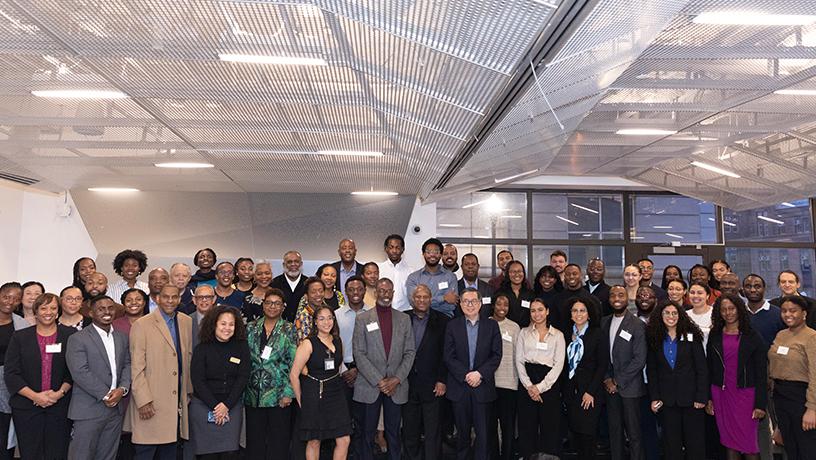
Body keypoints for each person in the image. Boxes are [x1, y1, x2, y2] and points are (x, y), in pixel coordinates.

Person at [4, 293, 75, 459]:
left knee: (57, 453)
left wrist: (59, 394)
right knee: (30, 453)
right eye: (43, 308)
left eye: (53, 308)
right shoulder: (20, 337)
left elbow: (73, 371)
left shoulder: (70, 335)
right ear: (35, 312)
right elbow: (11, 373)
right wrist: (35, 396)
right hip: (26, 407)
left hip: (60, 406)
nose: (48, 312)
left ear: (58, 312)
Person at [352, 278, 415, 460]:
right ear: (375, 293)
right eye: (381, 290)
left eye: (388, 291)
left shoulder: (404, 319)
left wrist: (396, 379)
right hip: (370, 384)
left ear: (393, 294)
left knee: (394, 433)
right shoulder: (362, 319)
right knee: (367, 432)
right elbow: (359, 353)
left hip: (396, 385)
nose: (385, 294)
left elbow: (410, 352)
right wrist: (380, 381)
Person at [129, 285, 193, 459]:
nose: (170, 301)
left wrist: (187, 393)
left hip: (176, 401)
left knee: (170, 452)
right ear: (157, 299)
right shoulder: (141, 324)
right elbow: (136, 367)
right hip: (151, 402)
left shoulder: (186, 321)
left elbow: (187, 358)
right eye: (166, 297)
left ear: (179, 299)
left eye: (174, 297)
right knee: (145, 452)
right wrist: (143, 401)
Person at [66, 295, 131, 460]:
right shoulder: (77, 339)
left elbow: (128, 365)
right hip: (88, 410)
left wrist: (122, 389)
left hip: (115, 410)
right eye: (101, 309)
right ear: (91, 313)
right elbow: (80, 371)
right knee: (81, 456)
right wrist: (107, 394)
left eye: (110, 308)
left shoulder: (122, 337)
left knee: (108, 456)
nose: (107, 312)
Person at [706, 294, 768, 460]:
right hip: (721, 394)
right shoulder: (715, 334)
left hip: (745, 396)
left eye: (731, 308)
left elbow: (762, 372)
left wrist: (760, 404)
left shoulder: (752, 336)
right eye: (723, 309)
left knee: (749, 444)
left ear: (739, 309)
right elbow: (710, 368)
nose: (728, 313)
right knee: (729, 441)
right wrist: (709, 398)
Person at [645, 301, 708, 460]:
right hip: (667, 402)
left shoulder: (691, 335)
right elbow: (652, 371)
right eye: (667, 313)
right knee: (671, 445)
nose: (671, 316)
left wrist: (701, 397)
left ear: (680, 316)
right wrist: (655, 397)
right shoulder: (655, 337)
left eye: (674, 313)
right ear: (660, 315)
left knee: (695, 445)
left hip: (692, 401)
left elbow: (701, 369)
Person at [444, 289, 502, 460]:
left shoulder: (492, 326)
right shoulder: (452, 325)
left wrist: (479, 374)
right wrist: (467, 375)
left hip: (482, 388)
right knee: (462, 436)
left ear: (480, 303)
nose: (470, 305)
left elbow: (496, 355)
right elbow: (448, 356)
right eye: (466, 301)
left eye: (473, 301)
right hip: (459, 388)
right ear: (460, 304)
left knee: (483, 436)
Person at [290, 306, 352, 460]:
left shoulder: (338, 340)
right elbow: (294, 375)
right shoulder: (308, 343)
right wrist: (301, 400)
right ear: (315, 322)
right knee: (314, 440)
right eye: (321, 318)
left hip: (336, 393)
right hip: (313, 393)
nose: (326, 322)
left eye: (330, 317)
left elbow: (338, 365)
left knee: (344, 439)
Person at [189, 305, 250, 459]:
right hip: (204, 407)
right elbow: (198, 380)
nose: (227, 328)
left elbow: (243, 377)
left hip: (232, 406)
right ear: (214, 324)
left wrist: (226, 405)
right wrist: (216, 407)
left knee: (230, 453)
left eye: (231, 324)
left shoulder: (241, 346)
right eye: (223, 323)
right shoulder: (201, 348)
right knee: (207, 456)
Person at [244, 289, 297, 459]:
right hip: (253, 395)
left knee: (278, 441)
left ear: (283, 307)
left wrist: (288, 393)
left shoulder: (289, 329)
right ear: (263, 304)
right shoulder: (250, 327)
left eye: (277, 303)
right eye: (268, 302)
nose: (272, 306)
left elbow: (294, 363)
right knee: (254, 441)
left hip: (279, 396)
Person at [403, 284, 448, 460]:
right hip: (407, 384)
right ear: (413, 299)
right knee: (409, 430)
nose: (421, 300)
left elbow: (446, 353)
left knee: (433, 431)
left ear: (431, 299)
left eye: (425, 297)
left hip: (433, 385)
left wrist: (442, 380)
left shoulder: (443, 320)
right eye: (418, 297)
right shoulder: (403, 319)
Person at [515, 298, 565, 458]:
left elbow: (558, 365)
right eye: (533, 310)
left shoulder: (558, 335)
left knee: (549, 425)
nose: (537, 314)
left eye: (540, 309)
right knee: (527, 425)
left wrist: (540, 387)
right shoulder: (523, 333)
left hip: (549, 383)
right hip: (527, 382)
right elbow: (519, 361)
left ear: (547, 311)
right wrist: (529, 386)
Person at [767, 295, 816, 459]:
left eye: (793, 311)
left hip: (801, 398)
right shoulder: (781, 334)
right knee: (790, 447)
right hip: (781, 397)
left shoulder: (811, 337)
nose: (788, 314)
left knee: (807, 448)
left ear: (804, 313)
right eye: (784, 311)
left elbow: (815, 375)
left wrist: (812, 409)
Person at [603, 284, 647, 460]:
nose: (616, 299)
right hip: (609, 387)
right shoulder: (604, 321)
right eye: (613, 295)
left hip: (630, 387)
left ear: (627, 298)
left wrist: (617, 382)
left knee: (634, 433)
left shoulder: (637, 324)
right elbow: (602, 354)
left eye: (620, 295)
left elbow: (639, 359)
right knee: (614, 433)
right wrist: (607, 379)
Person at [562, 297, 607, 460]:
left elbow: (602, 366)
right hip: (571, 393)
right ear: (570, 314)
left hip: (590, 393)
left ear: (589, 314)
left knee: (588, 434)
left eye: (582, 310)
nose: (578, 314)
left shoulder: (597, 333)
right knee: (576, 434)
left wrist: (590, 391)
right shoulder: (566, 334)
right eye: (575, 310)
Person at [335, 276, 370, 458]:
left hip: (366, 373)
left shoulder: (374, 314)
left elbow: (375, 346)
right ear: (345, 292)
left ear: (365, 290)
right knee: (344, 419)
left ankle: (361, 454)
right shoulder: (336, 314)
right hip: (343, 372)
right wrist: (344, 370)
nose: (355, 293)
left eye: (359, 289)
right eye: (351, 289)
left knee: (364, 419)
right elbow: (332, 345)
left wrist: (360, 369)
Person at [0, 282, 32, 460]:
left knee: (4, 431)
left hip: (8, 385)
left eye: (15, 299)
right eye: (6, 296)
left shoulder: (22, 325)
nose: (9, 301)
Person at [490, 294, 519, 460]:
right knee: (490, 426)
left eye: (506, 304)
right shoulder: (485, 323)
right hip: (488, 384)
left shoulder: (514, 327)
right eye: (499, 303)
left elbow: (518, 356)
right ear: (493, 305)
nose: (502, 307)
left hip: (509, 384)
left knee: (508, 427)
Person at [406, 238, 459, 318]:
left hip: (444, 319)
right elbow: (413, 302)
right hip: (421, 319)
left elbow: (451, 305)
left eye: (436, 252)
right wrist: (443, 298)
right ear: (423, 254)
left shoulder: (450, 277)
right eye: (429, 252)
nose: (432, 255)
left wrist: (423, 302)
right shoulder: (413, 277)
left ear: (441, 255)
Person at [551, 264, 600, 334]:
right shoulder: (557, 299)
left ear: (580, 275)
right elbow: (554, 324)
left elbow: (596, 323)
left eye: (574, 274)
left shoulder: (592, 299)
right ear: (564, 276)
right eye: (568, 274)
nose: (571, 277)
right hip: (563, 340)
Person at [494, 260, 535, 328]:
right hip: (506, 332)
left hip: (526, 332)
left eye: (520, 271)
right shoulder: (500, 293)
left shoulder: (531, 294)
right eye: (513, 272)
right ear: (508, 274)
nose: (517, 274)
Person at [379, 234, 414, 312]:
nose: (394, 251)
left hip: (405, 314)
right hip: (382, 313)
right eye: (391, 247)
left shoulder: (411, 272)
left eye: (397, 248)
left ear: (403, 249)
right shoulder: (379, 269)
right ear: (385, 249)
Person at [270, 250, 308, 322]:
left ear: (301, 264)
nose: (293, 264)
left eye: (296, 261)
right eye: (289, 262)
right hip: (280, 329)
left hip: (304, 328)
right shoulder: (274, 284)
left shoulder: (308, 284)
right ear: (284, 265)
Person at [294, 277, 328, 342]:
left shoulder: (326, 311)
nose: (318, 294)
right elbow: (304, 344)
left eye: (321, 291)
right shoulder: (303, 316)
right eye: (313, 292)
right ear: (306, 296)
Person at [687, 282, 714, 348]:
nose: (695, 296)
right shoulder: (684, 315)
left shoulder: (715, 314)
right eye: (692, 293)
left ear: (707, 295)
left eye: (700, 293)